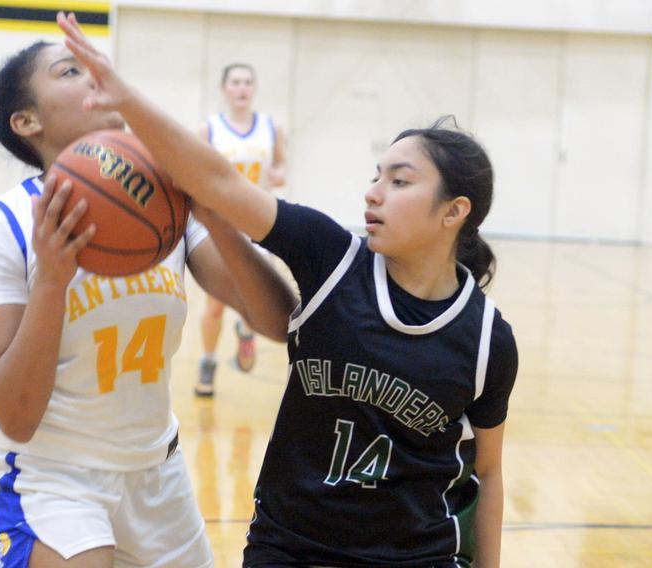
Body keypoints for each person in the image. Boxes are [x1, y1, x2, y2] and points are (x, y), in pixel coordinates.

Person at [59, 12, 519, 567]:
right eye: (376, 176)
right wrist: (126, 99)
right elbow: (218, 181)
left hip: (412, 557)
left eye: (398, 182)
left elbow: (488, 474)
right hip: (290, 547)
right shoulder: (331, 256)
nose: (373, 193)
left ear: (454, 211)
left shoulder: (488, 339)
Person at [0, 39, 296, 567]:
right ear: (26, 121)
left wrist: (212, 213)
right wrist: (50, 282)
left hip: (155, 471)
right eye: (71, 71)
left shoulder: (165, 211)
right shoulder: (2, 228)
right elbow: (15, 417)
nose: (94, 76)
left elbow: (277, 319)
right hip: (49, 471)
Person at [194, 62, 286, 397]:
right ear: (224, 88)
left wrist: (278, 173)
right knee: (216, 303)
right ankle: (207, 361)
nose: (242, 87)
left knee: (259, 296)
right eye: (235, 81)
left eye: (248, 81)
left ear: (254, 88)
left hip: (260, 223)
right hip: (224, 225)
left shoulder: (272, 126)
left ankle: (245, 332)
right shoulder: (210, 129)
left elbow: (280, 164)